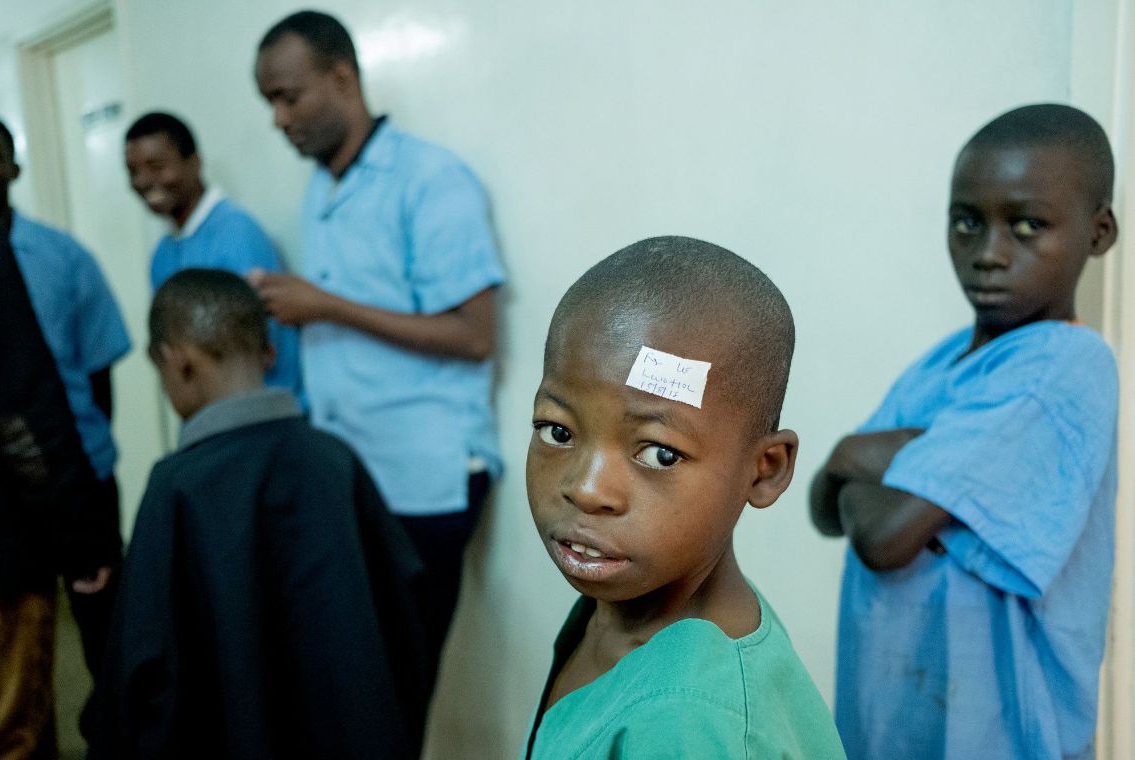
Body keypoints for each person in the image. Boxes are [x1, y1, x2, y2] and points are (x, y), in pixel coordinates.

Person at [809, 104, 1119, 759]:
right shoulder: (940, 362)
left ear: (1099, 232)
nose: (988, 255)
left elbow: (884, 538)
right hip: (887, 720)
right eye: (967, 223)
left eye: (1027, 226)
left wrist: (856, 460)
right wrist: (849, 462)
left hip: (1000, 734)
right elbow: (822, 503)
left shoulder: (1065, 365)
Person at [252, 9, 506, 695]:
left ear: (342, 77)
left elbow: (473, 334)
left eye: (288, 96)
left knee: (394, 688)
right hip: (352, 469)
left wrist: (325, 306)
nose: (278, 119)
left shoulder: (430, 179)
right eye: (268, 102)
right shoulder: (321, 188)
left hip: (423, 472)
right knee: (351, 688)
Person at [523, 236, 846, 758]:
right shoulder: (617, 604)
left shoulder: (687, 724)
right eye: (558, 432)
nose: (586, 489)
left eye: (659, 455)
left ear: (764, 471)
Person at [90, 268, 429, 759]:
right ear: (270, 352)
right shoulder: (334, 459)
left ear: (176, 363)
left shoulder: (176, 489)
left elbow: (138, 666)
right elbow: (404, 617)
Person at [0, 116, 130, 758]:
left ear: (14, 166)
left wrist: (83, 483)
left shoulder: (62, 256)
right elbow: (19, 409)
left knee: (99, 636)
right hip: (16, 504)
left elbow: (96, 375)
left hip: (74, 474)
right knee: (16, 696)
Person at [123, 111, 301, 396]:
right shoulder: (163, 255)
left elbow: (261, 348)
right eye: (133, 171)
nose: (143, 181)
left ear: (194, 163)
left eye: (156, 166)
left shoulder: (235, 235)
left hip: (257, 419)